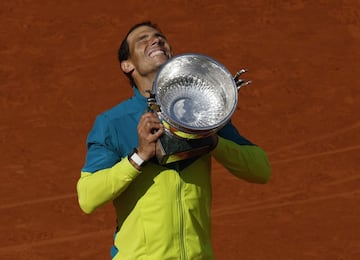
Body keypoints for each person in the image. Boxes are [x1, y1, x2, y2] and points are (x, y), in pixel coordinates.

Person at [76, 21, 271, 260]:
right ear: (127, 65)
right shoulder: (113, 123)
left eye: (159, 37)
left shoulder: (202, 112)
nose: (155, 40)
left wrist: (214, 142)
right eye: (142, 39)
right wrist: (139, 156)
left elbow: (261, 169)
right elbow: (87, 197)